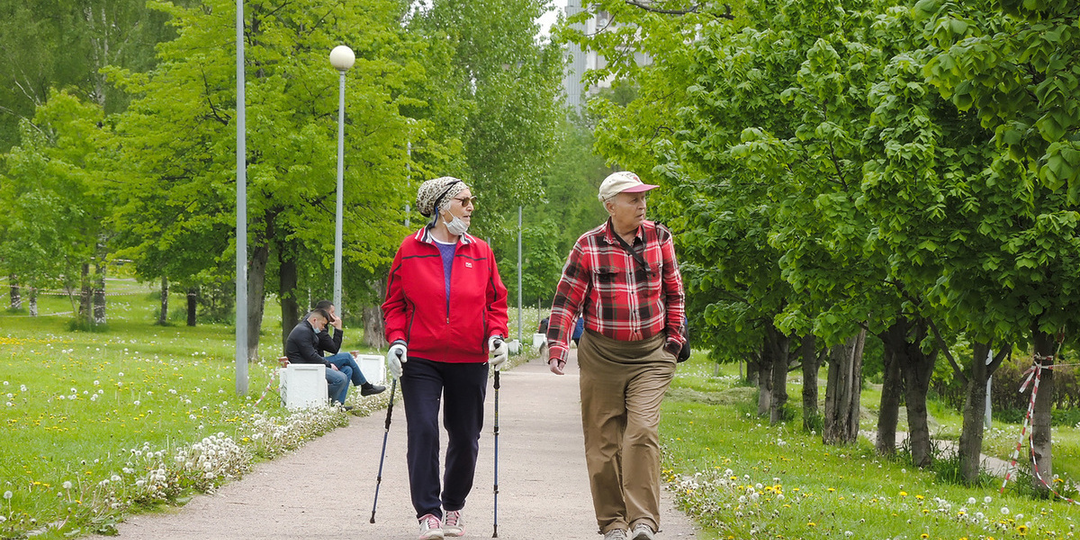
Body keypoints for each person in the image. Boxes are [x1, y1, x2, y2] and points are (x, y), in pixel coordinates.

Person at [545, 171, 686, 540]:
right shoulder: (587, 245)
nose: (642, 204)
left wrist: (673, 340)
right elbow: (566, 301)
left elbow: (675, 292)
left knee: (641, 431)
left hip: (651, 354)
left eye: (643, 198)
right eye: (633, 199)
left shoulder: (660, 238)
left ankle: (642, 520)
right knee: (603, 442)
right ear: (610, 206)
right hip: (602, 355)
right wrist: (558, 347)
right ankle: (613, 523)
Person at [382, 176, 510, 540]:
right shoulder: (409, 249)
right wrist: (396, 341)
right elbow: (394, 304)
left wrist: (497, 336)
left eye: (471, 201)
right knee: (423, 430)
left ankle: (453, 506)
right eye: (464, 201)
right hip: (421, 357)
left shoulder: (481, 251)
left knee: (466, 435)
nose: (471, 208)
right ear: (441, 206)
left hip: (470, 357)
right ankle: (428, 513)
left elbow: (495, 302)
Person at [313, 300, 386, 400]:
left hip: (318, 359)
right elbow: (334, 349)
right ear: (324, 312)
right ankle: (365, 386)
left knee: (348, 369)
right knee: (346, 356)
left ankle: (339, 404)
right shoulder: (317, 326)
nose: (334, 316)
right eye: (332, 312)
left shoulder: (319, 324)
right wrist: (338, 328)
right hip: (316, 362)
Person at [284, 309, 350, 407]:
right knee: (340, 379)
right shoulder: (303, 331)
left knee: (347, 370)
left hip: (312, 365)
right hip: (305, 367)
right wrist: (328, 364)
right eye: (323, 325)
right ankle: (324, 401)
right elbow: (310, 356)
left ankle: (337, 403)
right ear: (314, 320)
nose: (323, 328)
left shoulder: (308, 330)